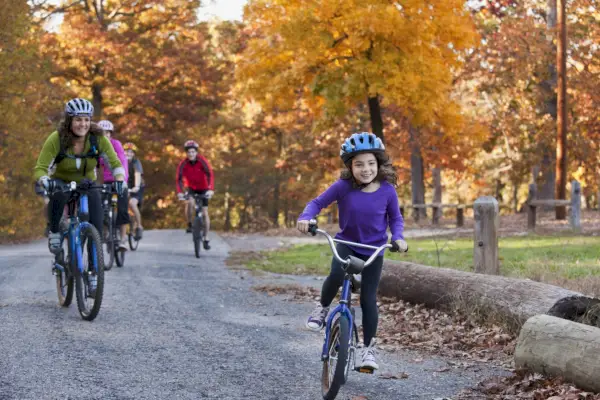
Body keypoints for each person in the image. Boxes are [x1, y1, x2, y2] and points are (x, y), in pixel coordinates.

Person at [296, 132, 408, 371]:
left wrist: (398, 238)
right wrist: (307, 216)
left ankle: (368, 349)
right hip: (346, 243)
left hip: (374, 249)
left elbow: (395, 218)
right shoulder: (343, 187)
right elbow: (316, 203)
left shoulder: (388, 190)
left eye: (370, 163)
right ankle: (323, 307)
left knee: (368, 298)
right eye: (359, 164)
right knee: (336, 276)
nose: (365, 169)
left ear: (379, 164)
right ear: (350, 167)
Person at [34, 98, 126, 265]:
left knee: (96, 225)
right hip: (62, 181)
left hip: (87, 183)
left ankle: (93, 270)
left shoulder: (97, 138)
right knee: (58, 194)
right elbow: (41, 167)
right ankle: (55, 231)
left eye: (86, 119)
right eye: (78, 119)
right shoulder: (57, 138)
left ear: (90, 121)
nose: (82, 124)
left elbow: (115, 163)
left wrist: (119, 179)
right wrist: (45, 180)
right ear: (70, 120)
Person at [175, 140, 214, 250]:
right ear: (186, 153)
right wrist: (179, 192)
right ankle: (189, 223)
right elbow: (178, 179)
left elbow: (210, 175)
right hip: (191, 188)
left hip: (204, 188)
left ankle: (206, 238)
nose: (191, 154)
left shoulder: (202, 161)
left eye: (193, 152)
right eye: (189, 152)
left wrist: (210, 189)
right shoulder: (183, 163)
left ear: (196, 152)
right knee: (190, 202)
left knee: (205, 213)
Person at [97, 120, 129, 251]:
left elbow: (122, 162)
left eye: (108, 133)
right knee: (100, 207)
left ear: (111, 134)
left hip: (120, 179)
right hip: (106, 181)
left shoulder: (116, 144)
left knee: (122, 208)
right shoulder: (96, 147)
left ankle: (123, 238)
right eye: (102, 133)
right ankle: (106, 232)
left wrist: (122, 181)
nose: (106, 136)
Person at [123, 142, 144, 240]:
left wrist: (136, 186)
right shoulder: (120, 161)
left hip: (136, 187)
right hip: (125, 186)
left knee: (132, 203)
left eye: (131, 152)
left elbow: (137, 174)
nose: (128, 154)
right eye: (126, 152)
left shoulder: (136, 162)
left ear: (134, 154)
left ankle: (139, 226)